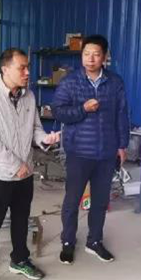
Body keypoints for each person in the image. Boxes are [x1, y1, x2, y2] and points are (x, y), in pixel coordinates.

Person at [0, 48, 61, 280]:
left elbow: (35, 129)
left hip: (25, 174)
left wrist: (45, 139)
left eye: (28, 67)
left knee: (21, 219)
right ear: (5, 69)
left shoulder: (29, 96)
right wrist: (15, 165)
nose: (27, 72)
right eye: (22, 67)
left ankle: (19, 259)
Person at [52, 35, 130, 265]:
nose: (91, 59)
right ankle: (68, 242)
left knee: (100, 202)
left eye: (96, 54)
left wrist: (122, 145)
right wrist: (83, 109)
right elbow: (58, 111)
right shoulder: (70, 82)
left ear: (104, 57)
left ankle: (94, 241)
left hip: (106, 152)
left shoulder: (115, 82)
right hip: (78, 151)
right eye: (86, 54)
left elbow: (122, 115)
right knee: (72, 201)